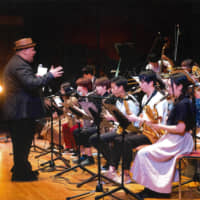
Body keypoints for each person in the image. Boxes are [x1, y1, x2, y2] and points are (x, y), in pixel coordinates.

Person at [2, 37, 63, 181]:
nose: (34, 52)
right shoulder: (19, 65)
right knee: (22, 143)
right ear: (24, 51)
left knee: (21, 144)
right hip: (20, 112)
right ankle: (21, 174)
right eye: (32, 49)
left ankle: (22, 169)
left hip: (19, 111)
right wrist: (50, 75)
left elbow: (25, 81)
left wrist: (36, 77)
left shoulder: (17, 63)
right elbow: (30, 84)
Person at [130, 72, 195, 198]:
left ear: (180, 86)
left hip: (180, 141)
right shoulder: (182, 101)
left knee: (144, 153)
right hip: (176, 139)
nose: (168, 90)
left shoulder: (183, 103)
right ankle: (154, 188)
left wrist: (158, 126)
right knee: (146, 153)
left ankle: (156, 190)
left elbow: (180, 129)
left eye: (171, 86)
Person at [104, 71, 168, 184]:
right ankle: (112, 170)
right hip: (144, 130)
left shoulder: (159, 99)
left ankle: (126, 174)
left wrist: (137, 119)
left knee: (125, 140)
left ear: (151, 83)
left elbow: (157, 122)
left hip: (155, 134)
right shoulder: (145, 98)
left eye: (143, 82)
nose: (140, 85)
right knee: (118, 138)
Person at [89, 76, 140, 183]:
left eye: (113, 88)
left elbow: (131, 120)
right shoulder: (119, 100)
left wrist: (112, 118)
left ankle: (115, 169)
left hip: (131, 131)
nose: (111, 90)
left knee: (117, 140)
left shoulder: (130, 100)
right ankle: (112, 165)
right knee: (95, 138)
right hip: (121, 129)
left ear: (121, 87)